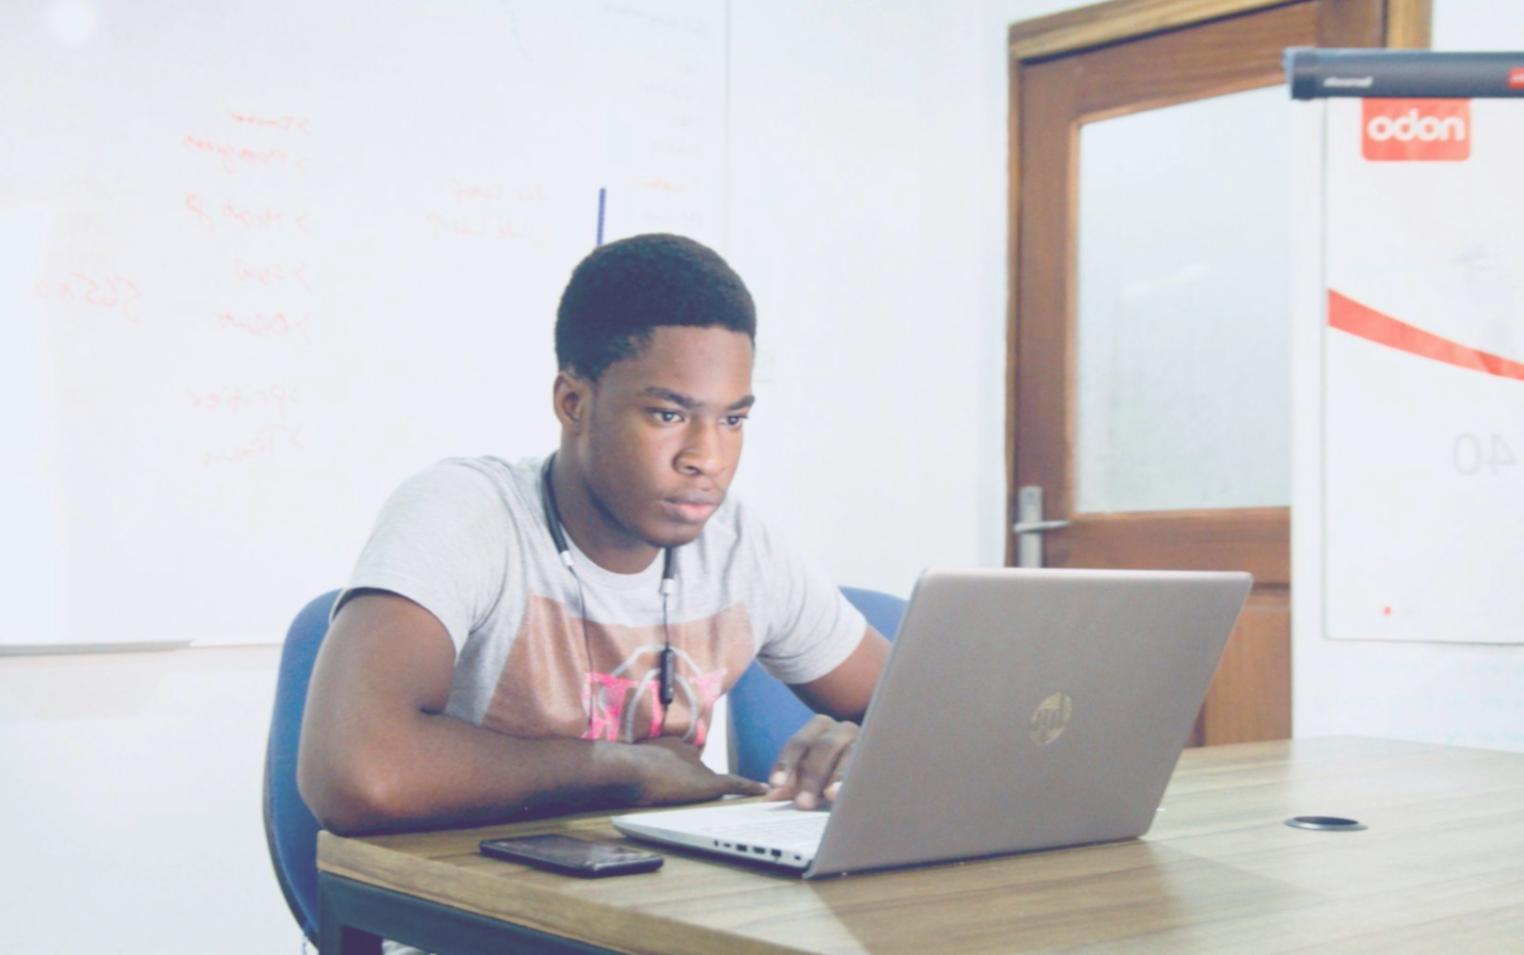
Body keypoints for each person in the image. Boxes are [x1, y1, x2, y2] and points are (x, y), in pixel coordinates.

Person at [298, 233, 891, 834]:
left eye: (733, 419)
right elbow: (358, 773)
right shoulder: (466, 513)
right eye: (669, 415)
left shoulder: (740, 546)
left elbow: (939, 719)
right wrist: (619, 769)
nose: (707, 458)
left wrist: (862, 748)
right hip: (466, 911)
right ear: (574, 401)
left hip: (662, 905)